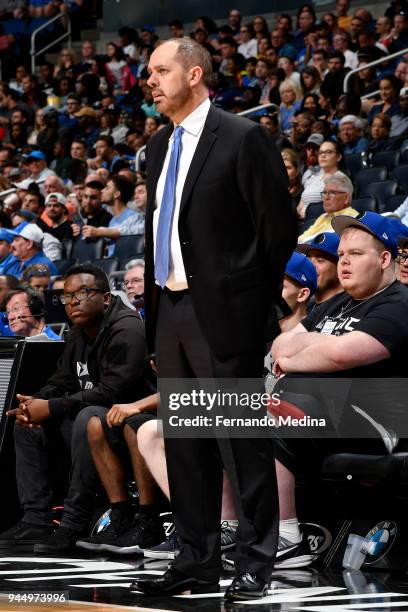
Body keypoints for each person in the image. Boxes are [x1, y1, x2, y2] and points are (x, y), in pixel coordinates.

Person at [130, 36, 296, 601]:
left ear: (195, 74)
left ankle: (256, 561)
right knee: (186, 446)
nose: (148, 81)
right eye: (148, 73)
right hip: (171, 310)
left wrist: (249, 301)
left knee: (240, 442)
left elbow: (277, 231)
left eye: (159, 71)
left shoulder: (243, 137)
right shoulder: (157, 145)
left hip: (225, 314)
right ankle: (195, 558)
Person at [271, 212, 408, 544]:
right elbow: (280, 346)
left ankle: (286, 534)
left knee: (292, 388)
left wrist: (306, 351)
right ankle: (231, 525)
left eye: (356, 255)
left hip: (379, 426)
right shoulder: (335, 304)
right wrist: (310, 349)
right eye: (342, 255)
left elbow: (341, 355)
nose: (344, 263)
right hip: (329, 413)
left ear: (384, 259)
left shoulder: (399, 303)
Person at [0, 264, 152, 552]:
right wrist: (33, 405)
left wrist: (53, 407)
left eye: (82, 294)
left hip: (132, 423)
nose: (72, 303)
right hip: (96, 421)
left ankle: (73, 521)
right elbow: (59, 381)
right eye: (67, 297)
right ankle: (36, 520)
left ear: (106, 298)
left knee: (86, 417)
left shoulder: (127, 329)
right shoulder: (77, 332)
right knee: (28, 426)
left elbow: (111, 393)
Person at [299, 173, 358, 241]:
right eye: (324, 193)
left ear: (346, 198)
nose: (326, 197)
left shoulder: (351, 218)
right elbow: (301, 239)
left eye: (332, 193)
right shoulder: (322, 217)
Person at [297, 232, 343, 307]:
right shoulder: (303, 307)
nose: (310, 265)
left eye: (320, 260)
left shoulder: (348, 307)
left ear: (340, 267)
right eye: (308, 259)